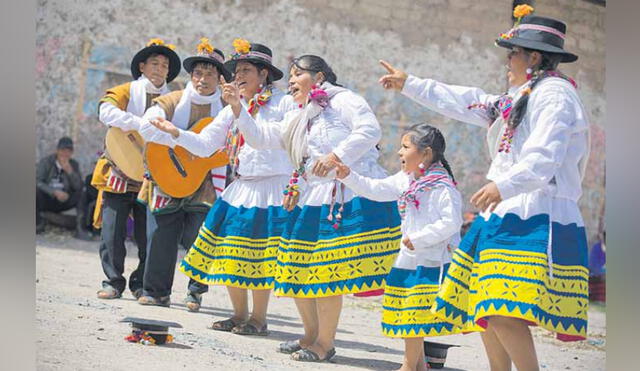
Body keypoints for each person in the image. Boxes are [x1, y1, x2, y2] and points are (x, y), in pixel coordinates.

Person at [379, 7, 590, 371]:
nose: (507, 62)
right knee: (484, 306)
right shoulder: (519, 97)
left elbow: (546, 156)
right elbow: (466, 100)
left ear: (534, 57)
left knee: (502, 309)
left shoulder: (554, 96)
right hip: (507, 211)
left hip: (536, 212)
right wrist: (410, 83)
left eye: (513, 53)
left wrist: (503, 184)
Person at [232, 55, 401, 362]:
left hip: (346, 194)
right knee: (295, 266)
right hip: (312, 196)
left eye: (298, 74)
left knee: (324, 271)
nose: (291, 80)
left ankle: (325, 343)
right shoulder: (300, 114)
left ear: (319, 76)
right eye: (291, 76)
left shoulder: (344, 100)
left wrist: (335, 156)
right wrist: (237, 107)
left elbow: (369, 130)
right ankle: (309, 335)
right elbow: (261, 138)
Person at [149, 40, 294, 333]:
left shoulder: (283, 104)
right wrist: (175, 133)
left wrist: (238, 108)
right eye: (236, 69)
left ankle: (258, 318)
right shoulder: (233, 107)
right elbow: (205, 145)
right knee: (230, 251)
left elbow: (259, 138)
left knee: (260, 256)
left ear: (263, 74)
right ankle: (239, 314)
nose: (238, 75)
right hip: (241, 186)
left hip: (271, 188)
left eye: (245, 70)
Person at [334, 123, 463, 371]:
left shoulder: (441, 187)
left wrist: (420, 238)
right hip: (409, 259)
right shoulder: (408, 180)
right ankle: (417, 366)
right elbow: (377, 189)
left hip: (429, 261)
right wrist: (348, 176)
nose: (399, 153)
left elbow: (451, 222)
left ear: (425, 153)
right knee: (407, 313)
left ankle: (408, 366)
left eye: (405, 147)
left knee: (414, 314)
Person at [136, 38, 232, 308]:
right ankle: (156, 291)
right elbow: (146, 127)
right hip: (167, 176)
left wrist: (192, 147)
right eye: (198, 73)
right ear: (191, 76)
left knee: (199, 237)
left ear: (220, 79)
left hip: (207, 183)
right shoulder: (172, 100)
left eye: (210, 74)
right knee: (161, 235)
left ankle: (195, 291)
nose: (202, 79)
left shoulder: (227, 111)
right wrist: (181, 143)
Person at [92, 38, 180, 300]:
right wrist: (139, 124)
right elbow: (105, 110)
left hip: (154, 175)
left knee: (148, 235)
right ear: (142, 66)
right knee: (112, 232)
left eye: (164, 65)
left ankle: (140, 282)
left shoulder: (176, 97)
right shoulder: (127, 89)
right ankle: (112, 281)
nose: (159, 69)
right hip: (120, 168)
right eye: (154, 63)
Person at [36, 137, 86, 238]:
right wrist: (53, 192)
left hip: (64, 199)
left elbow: (78, 186)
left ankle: (80, 228)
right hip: (47, 199)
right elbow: (38, 181)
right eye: (63, 150)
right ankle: (38, 223)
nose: (65, 154)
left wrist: (70, 172)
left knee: (82, 193)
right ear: (57, 150)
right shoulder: (46, 162)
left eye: (69, 151)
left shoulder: (73, 164)